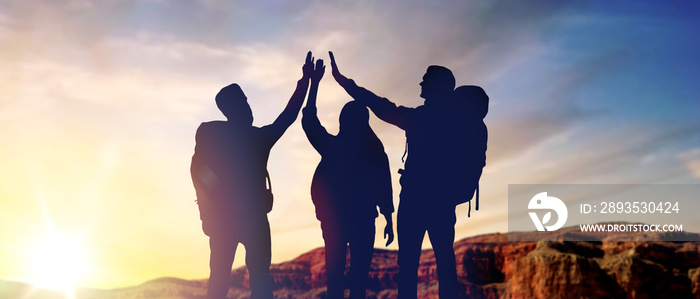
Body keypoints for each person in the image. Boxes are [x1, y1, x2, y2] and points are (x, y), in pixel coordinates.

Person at [328, 51, 487, 298]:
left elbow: (379, 105)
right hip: (443, 202)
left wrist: (344, 82)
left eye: (426, 80)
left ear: (437, 86)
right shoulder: (457, 122)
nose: (421, 83)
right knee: (445, 260)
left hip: (414, 199)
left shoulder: (418, 118)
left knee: (409, 264)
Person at [190, 52, 314, 299]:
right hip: (248, 219)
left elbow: (197, 172)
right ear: (234, 107)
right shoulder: (255, 138)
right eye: (244, 102)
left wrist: (208, 213)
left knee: (224, 279)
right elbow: (287, 117)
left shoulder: (211, 133)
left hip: (228, 220)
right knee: (254, 279)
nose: (249, 106)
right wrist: (305, 83)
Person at [302, 58, 395, 299]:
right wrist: (388, 218)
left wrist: (314, 85)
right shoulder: (374, 151)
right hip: (363, 219)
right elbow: (384, 185)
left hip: (335, 220)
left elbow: (309, 121)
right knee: (359, 279)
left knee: (335, 277)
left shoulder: (333, 146)